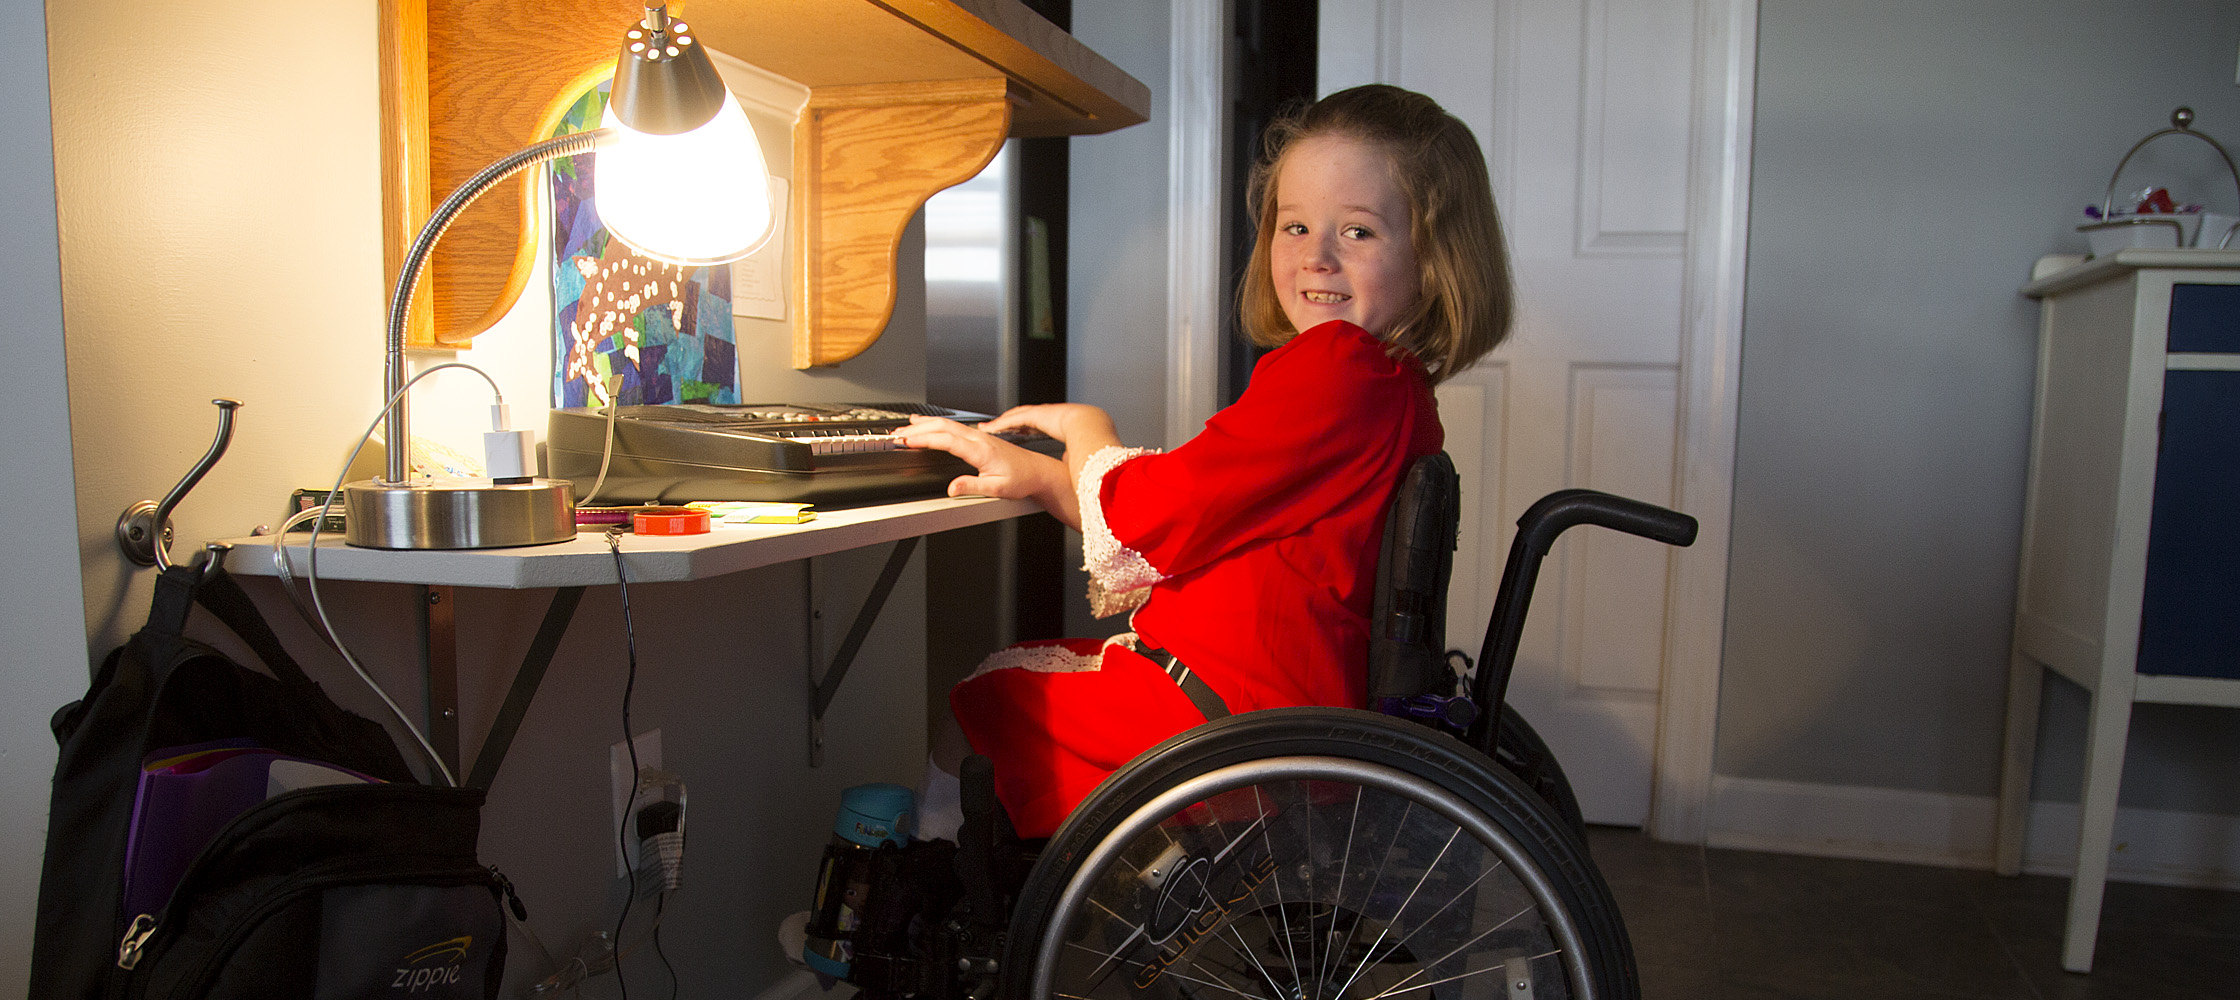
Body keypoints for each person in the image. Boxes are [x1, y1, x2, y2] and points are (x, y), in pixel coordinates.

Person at [893, 83, 1514, 841]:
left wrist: (1089, 431)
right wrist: (1058, 481)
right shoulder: (1394, 386)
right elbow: (1218, 507)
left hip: (1230, 714)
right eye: (1294, 225)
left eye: (1358, 232)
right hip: (1279, 701)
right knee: (1026, 668)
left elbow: (1159, 512)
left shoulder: (1336, 367)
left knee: (984, 696)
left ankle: (922, 888)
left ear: (1434, 257)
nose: (1316, 255)